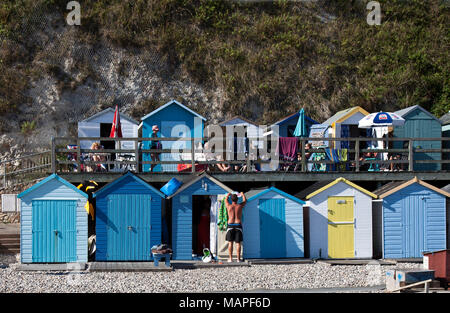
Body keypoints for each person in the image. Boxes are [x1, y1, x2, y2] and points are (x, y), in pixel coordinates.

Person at [225, 192, 247, 262]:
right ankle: (238, 259)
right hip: (238, 225)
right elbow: (244, 201)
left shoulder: (228, 205)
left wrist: (228, 195)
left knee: (230, 242)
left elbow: (225, 199)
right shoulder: (240, 206)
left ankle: (230, 258)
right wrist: (242, 194)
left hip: (230, 225)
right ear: (237, 200)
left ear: (231, 200)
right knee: (238, 243)